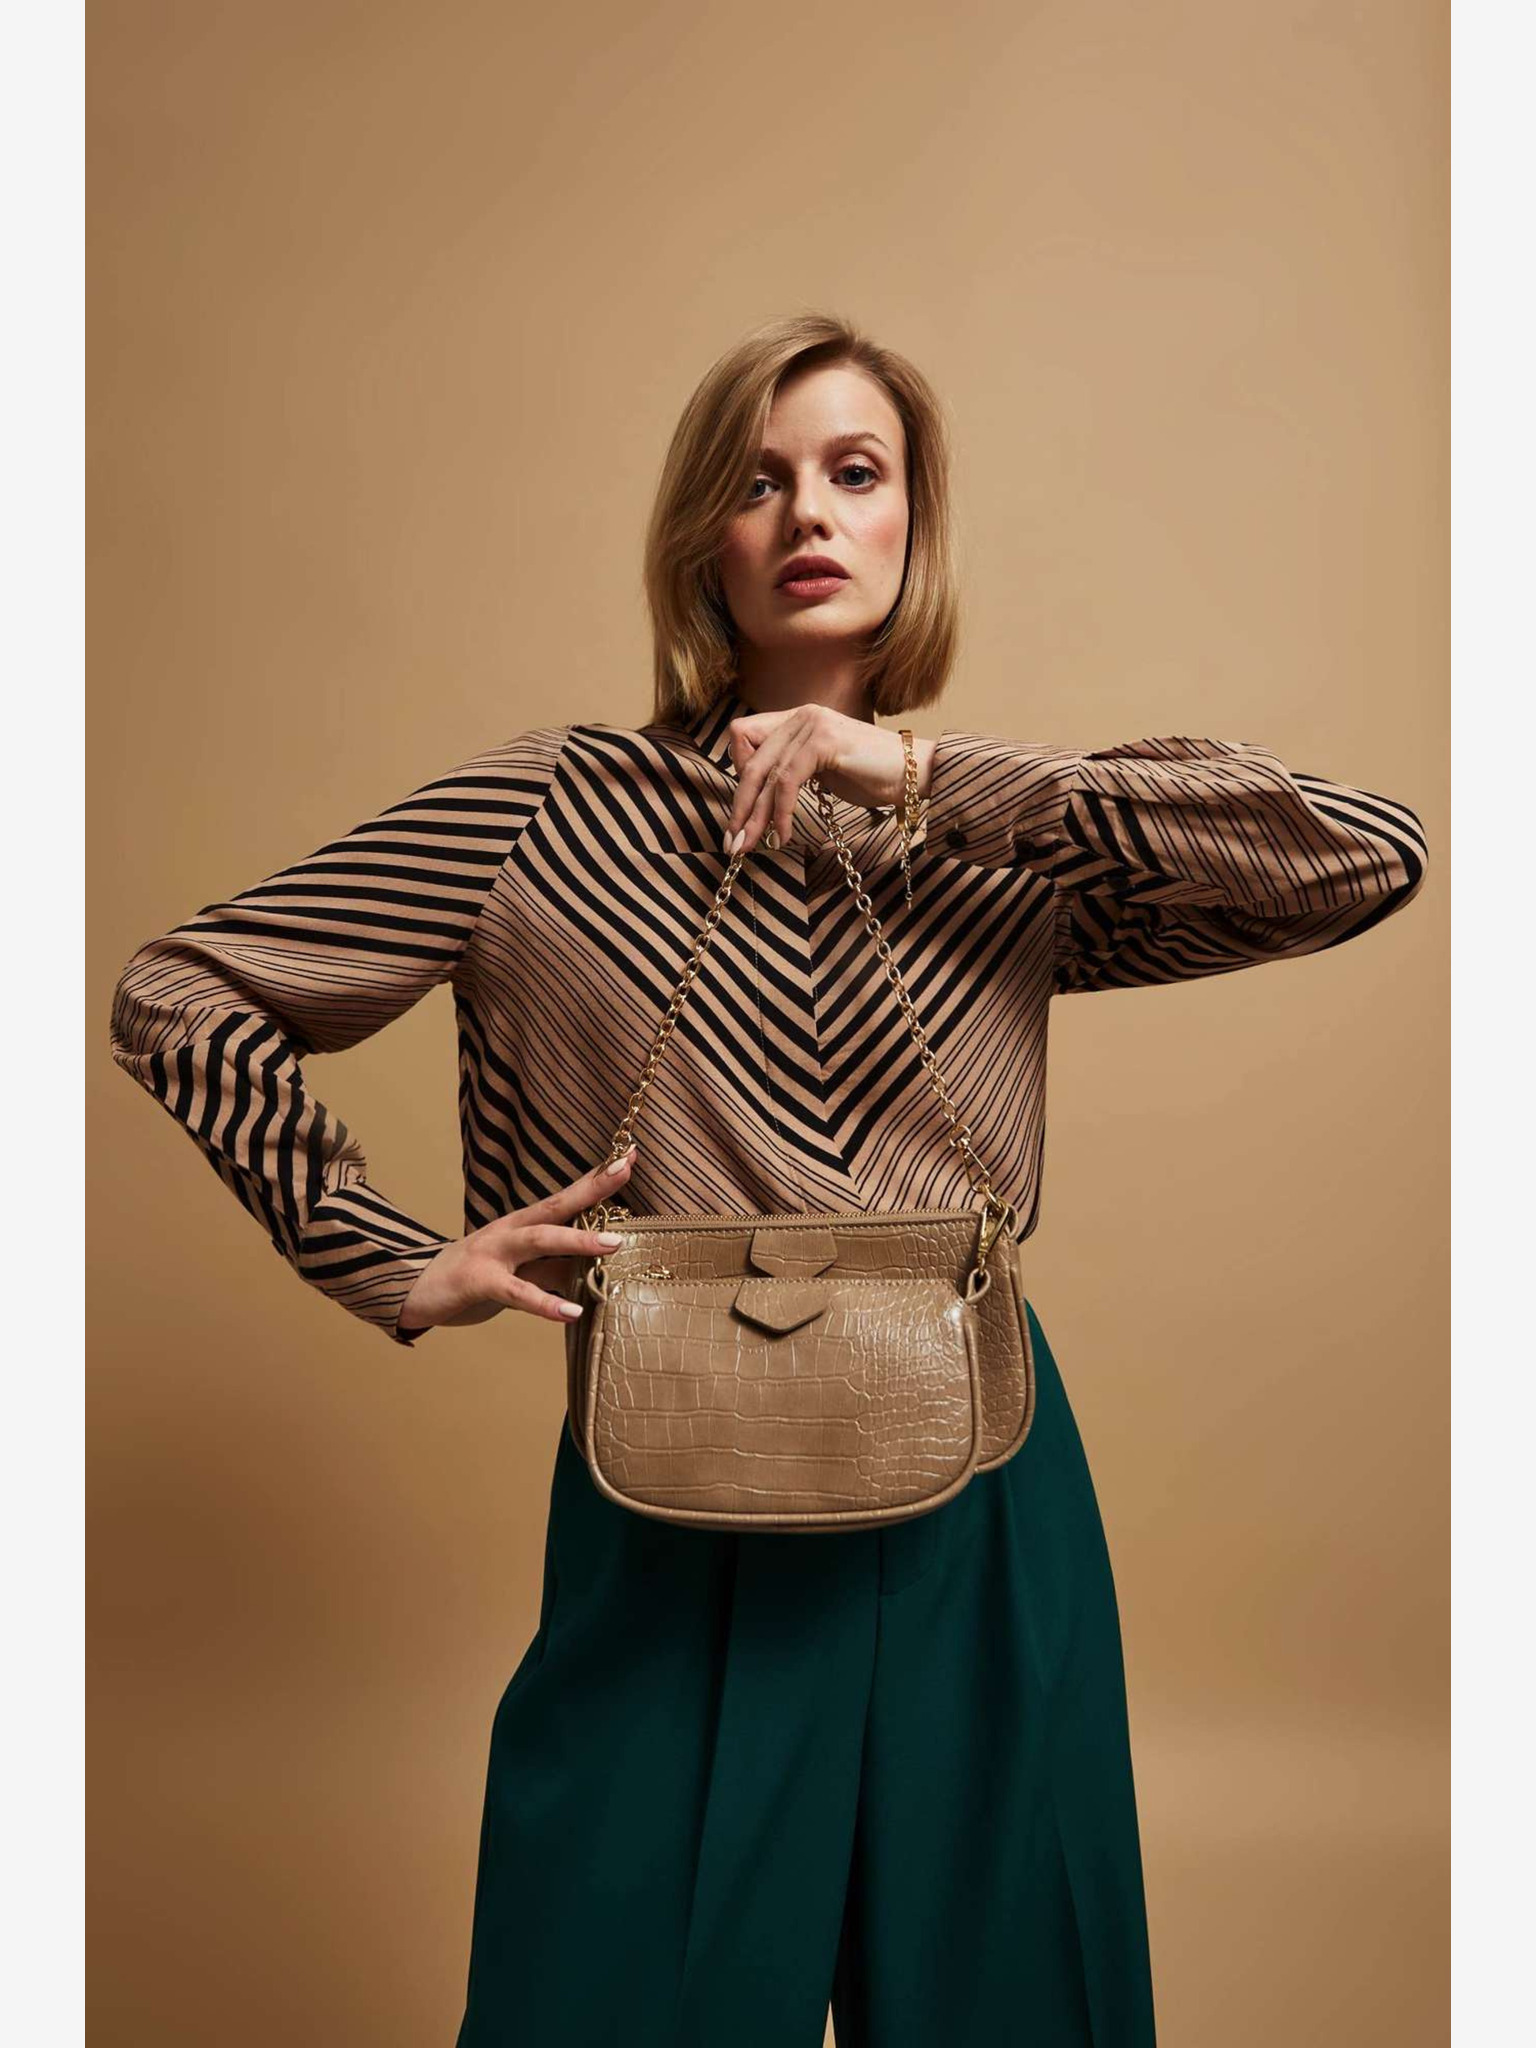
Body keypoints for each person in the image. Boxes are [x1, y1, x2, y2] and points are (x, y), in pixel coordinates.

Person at [109, 313, 1429, 2047]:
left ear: (911, 526)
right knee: (611, 2001)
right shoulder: (548, 812)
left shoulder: (997, 836)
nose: (808, 512)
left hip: (979, 1482)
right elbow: (182, 994)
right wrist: (387, 1257)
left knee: (1017, 1998)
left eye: (855, 473)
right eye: (758, 480)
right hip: (671, 1488)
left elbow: (1365, 857)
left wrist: (924, 775)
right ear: (699, 543)